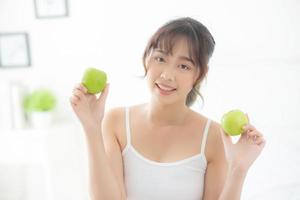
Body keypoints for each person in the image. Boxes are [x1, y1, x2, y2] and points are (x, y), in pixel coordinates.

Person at [70, 17, 266, 200]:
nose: (167, 75)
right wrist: (92, 128)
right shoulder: (116, 122)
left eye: (183, 66)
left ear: (198, 76)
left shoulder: (213, 136)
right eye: (161, 59)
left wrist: (238, 170)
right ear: (147, 58)